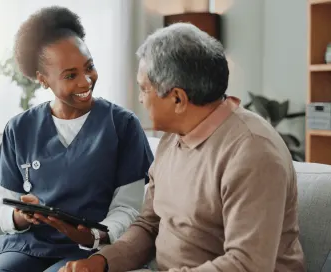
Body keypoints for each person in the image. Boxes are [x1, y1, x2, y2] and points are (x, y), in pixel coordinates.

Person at [58, 23, 306, 272]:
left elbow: (246, 265)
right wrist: (101, 263)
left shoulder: (252, 152)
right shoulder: (173, 138)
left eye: (145, 89)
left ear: (177, 98)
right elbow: (149, 225)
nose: (141, 99)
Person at [0, 6, 153, 272]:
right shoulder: (19, 128)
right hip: (32, 245)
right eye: (70, 75)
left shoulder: (123, 125)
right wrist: (21, 216)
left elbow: (130, 209)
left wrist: (94, 235)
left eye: (90, 67)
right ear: (43, 79)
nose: (86, 81)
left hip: (91, 248)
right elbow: (3, 206)